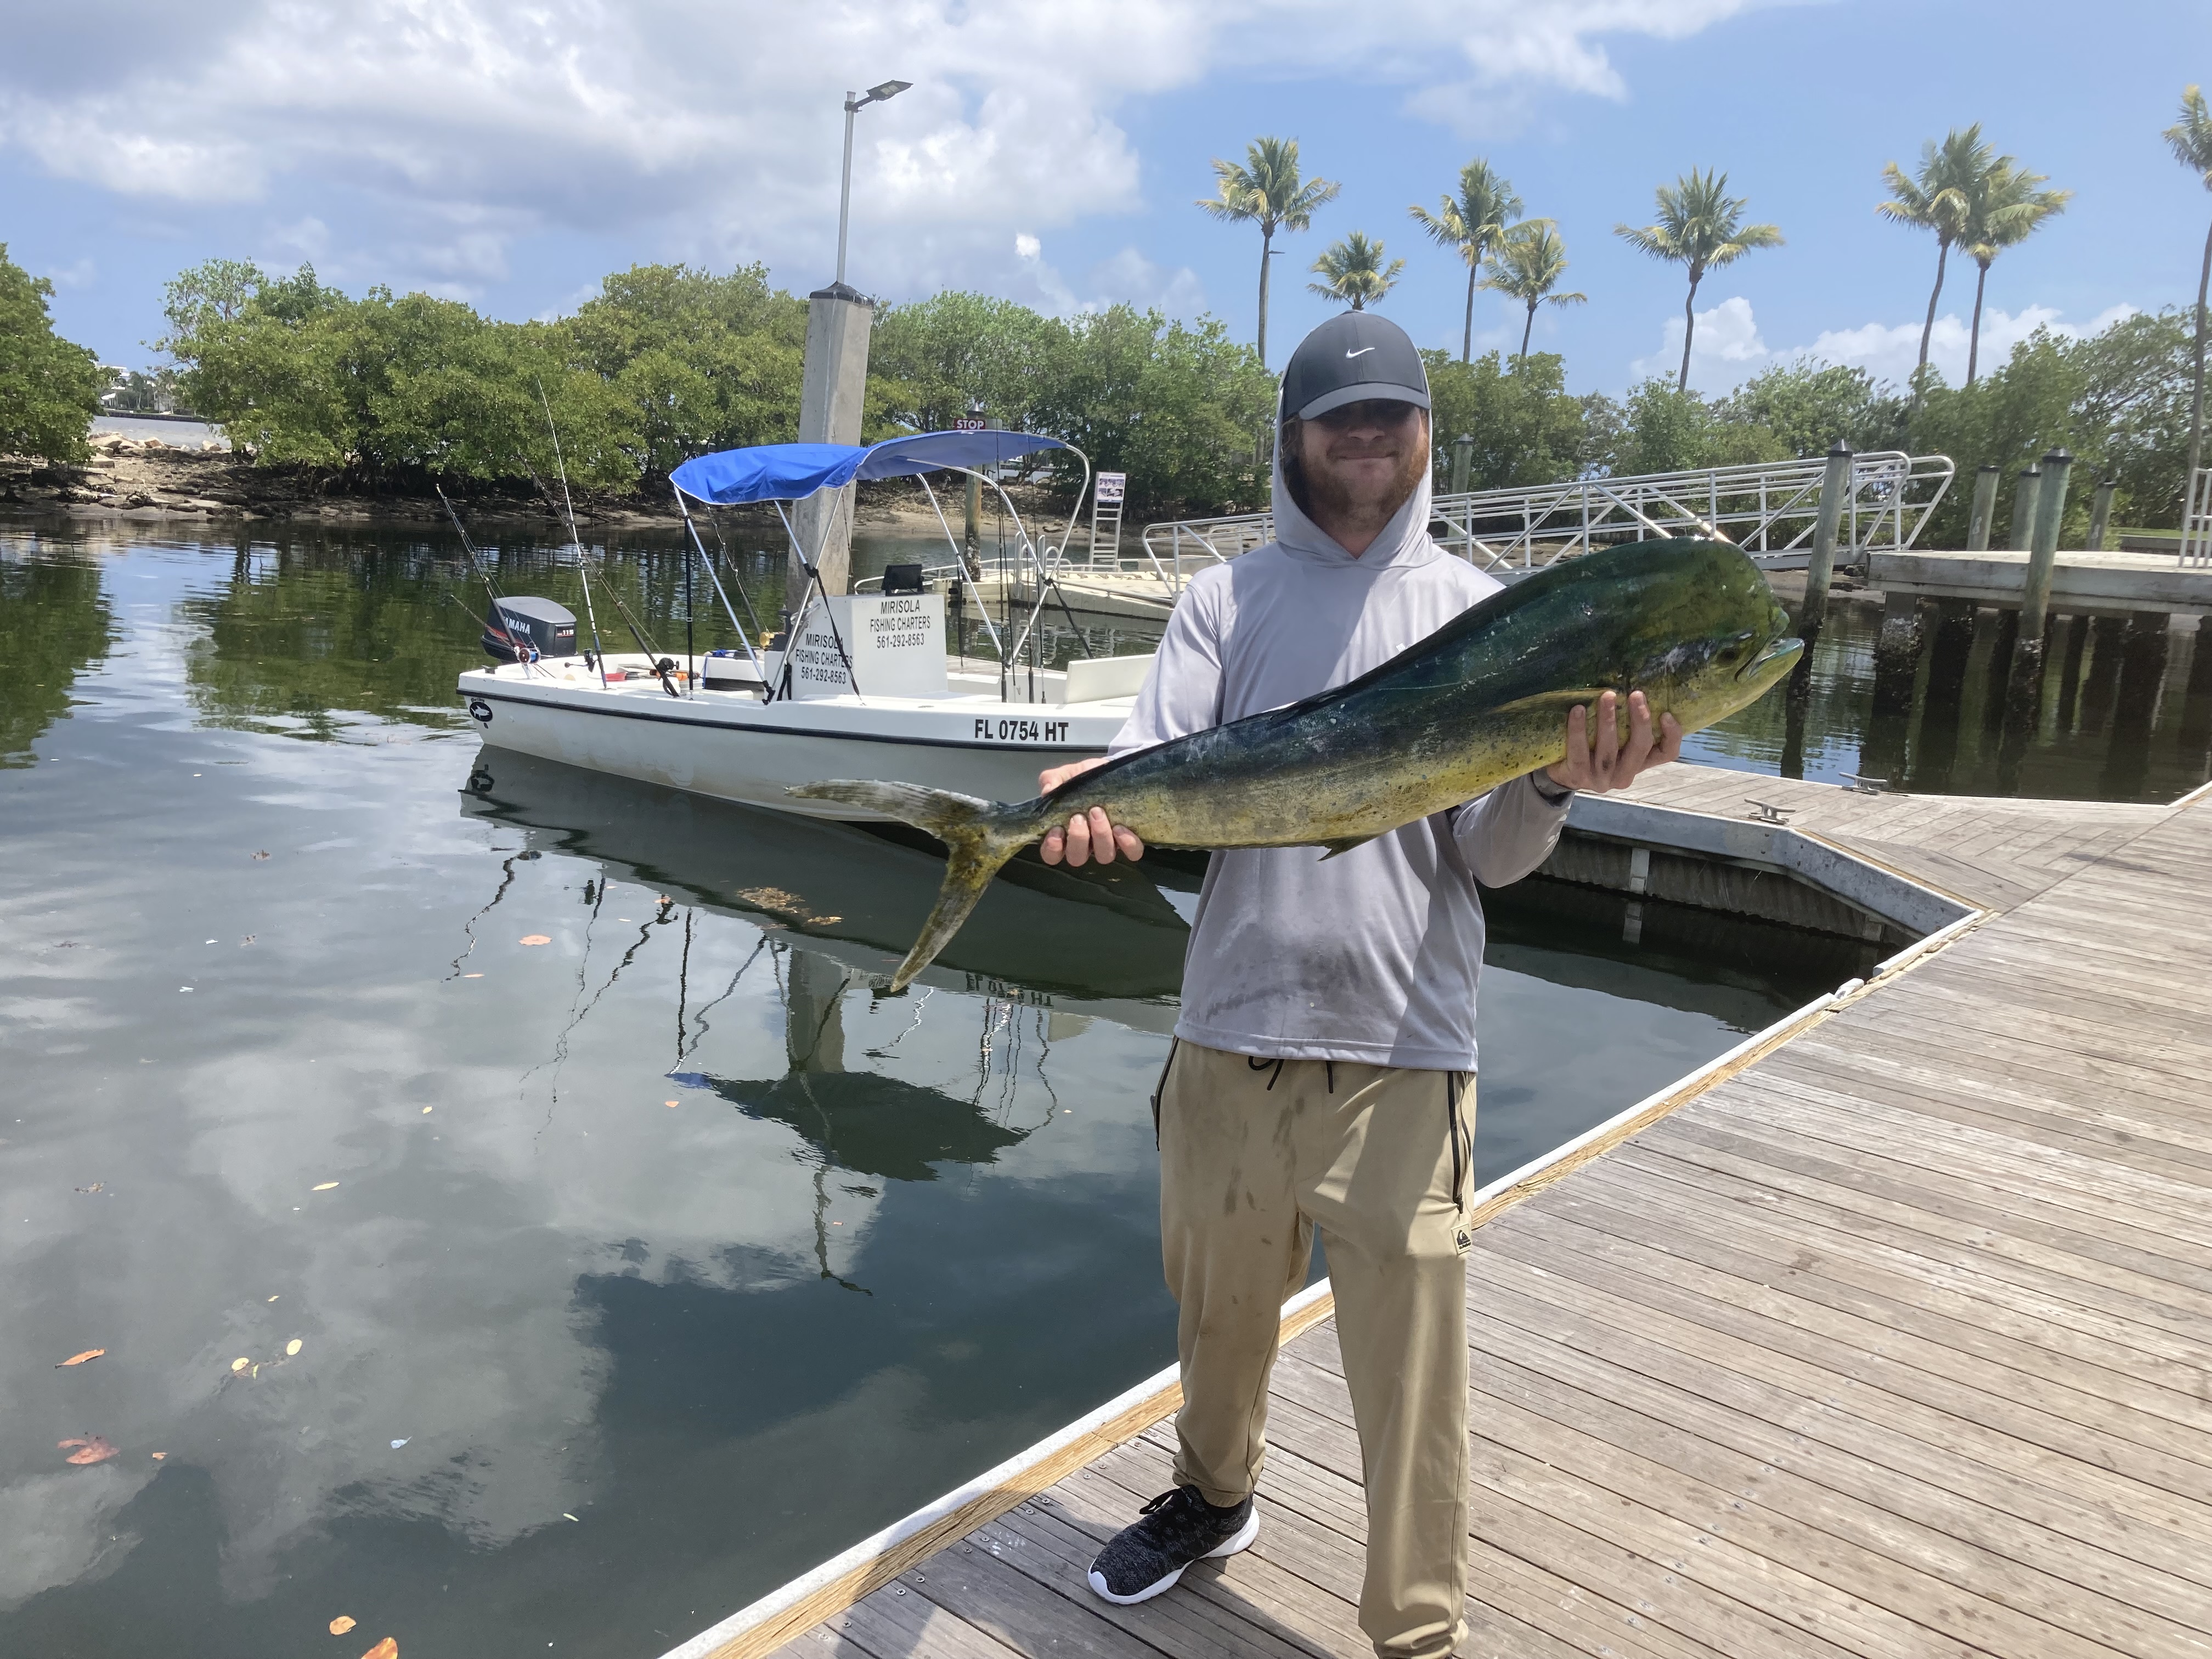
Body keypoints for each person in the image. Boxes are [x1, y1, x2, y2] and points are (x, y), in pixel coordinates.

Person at [1034, 312, 1681, 1659]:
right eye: (1340, 416)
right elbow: (1157, 769)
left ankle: (1418, 1630)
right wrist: (1101, 812)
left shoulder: (1482, 611)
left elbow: (1490, 860)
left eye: (1392, 412)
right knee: (1215, 1318)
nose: (1368, 435)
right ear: (1296, 438)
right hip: (1229, 1030)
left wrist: (1556, 780)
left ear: (1427, 432)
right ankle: (1214, 1500)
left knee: (1412, 1372)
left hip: (1407, 1045)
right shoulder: (1224, 600)